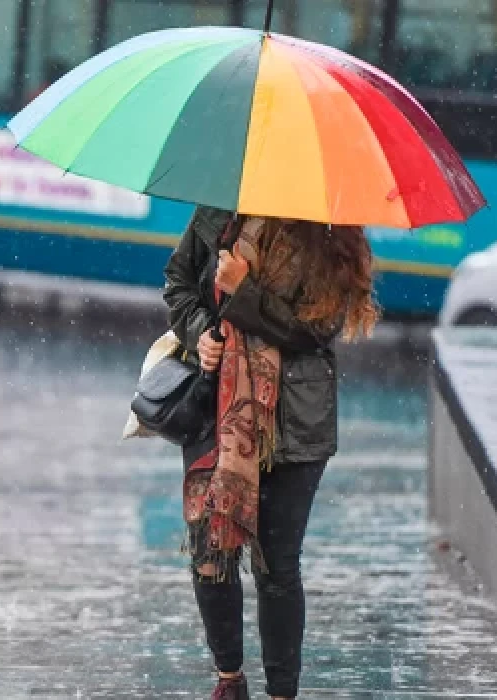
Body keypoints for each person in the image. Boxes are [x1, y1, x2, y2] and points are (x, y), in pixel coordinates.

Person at [163, 206, 379, 700]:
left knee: (276, 566)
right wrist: (203, 335)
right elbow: (177, 283)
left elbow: (315, 330)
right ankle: (229, 681)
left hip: (294, 419)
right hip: (216, 407)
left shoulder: (326, 225)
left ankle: (282, 693)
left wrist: (243, 293)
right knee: (210, 551)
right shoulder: (217, 212)